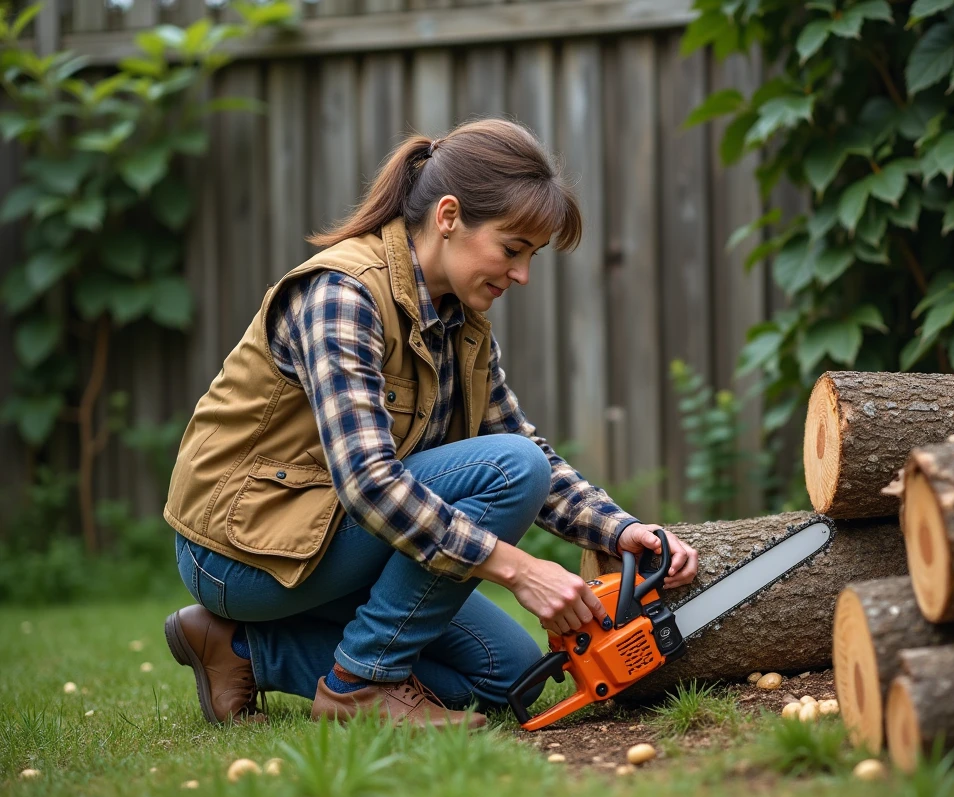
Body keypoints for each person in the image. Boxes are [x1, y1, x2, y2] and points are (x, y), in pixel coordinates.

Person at [160, 118, 700, 730]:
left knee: (503, 675)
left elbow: (525, 446)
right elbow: (369, 482)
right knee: (508, 470)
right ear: (448, 217)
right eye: (512, 248)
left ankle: (244, 651)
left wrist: (617, 529)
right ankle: (359, 685)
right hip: (242, 550)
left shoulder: (460, 321)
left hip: (329, 536)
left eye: (532, 256)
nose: (521, 274)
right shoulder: (343, 295)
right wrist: (520, 569)